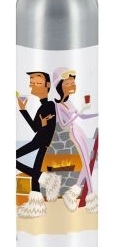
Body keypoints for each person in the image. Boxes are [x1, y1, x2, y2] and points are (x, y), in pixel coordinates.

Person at [52, 67, 99, 213]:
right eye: (68, 83)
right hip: (73, 132)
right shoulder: (58, 105)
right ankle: (91, 196)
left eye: (73, 82)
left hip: (80, 131)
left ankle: (73, 192)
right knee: (86, 161)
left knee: (87, 162)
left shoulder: (70, 103)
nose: (72, 85)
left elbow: (82, 117)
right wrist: (80, 112)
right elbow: (63, 124)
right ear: (60, 86)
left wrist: (96, 114)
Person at [16, 71, 61, 218]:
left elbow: (45, 128)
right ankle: (36, 207)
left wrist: (43, 125)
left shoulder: (49, 105)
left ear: (47, 85)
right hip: (41, 140)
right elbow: (36, 127)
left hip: (41, 140)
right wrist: (23, 109)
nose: (33, 86)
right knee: (35, 176)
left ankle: (45, 178)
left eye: (38, 83)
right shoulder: (44, 106)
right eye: (32, 83)